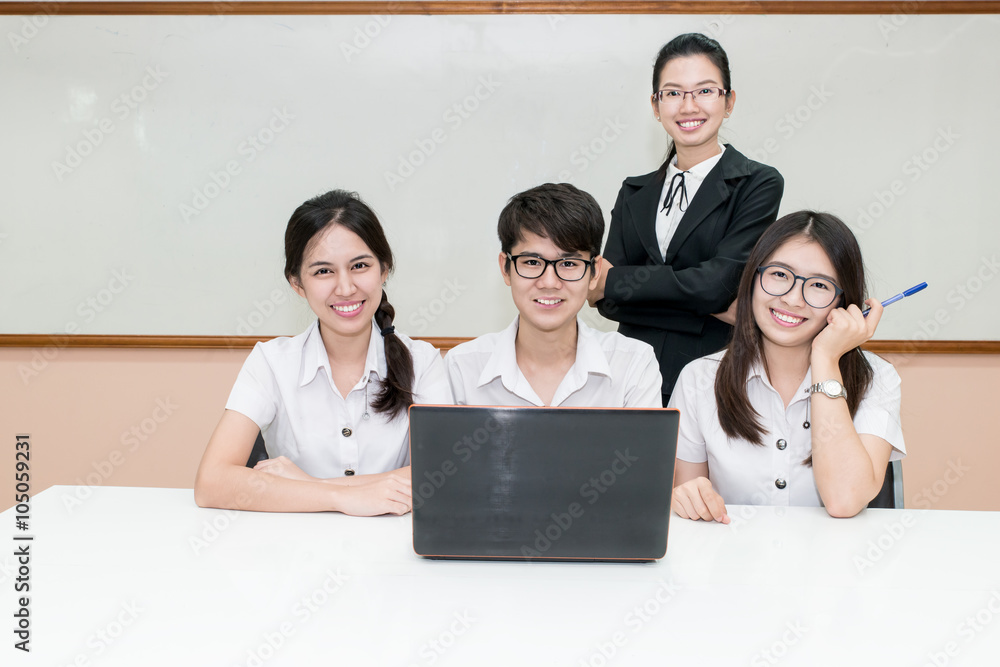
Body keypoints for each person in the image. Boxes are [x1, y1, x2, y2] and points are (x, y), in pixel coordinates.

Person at [194, 189, 451, 516]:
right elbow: (212, 482)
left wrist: (305, 485)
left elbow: (444, 476)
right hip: (294, 551)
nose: (345, 288)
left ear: (384, 269)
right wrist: (342, 497)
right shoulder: (271, 362)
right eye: (323, 271)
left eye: (359, 265)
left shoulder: (423, 362)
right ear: (297, 284)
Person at [669, 211, 906, 522]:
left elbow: (844, 501)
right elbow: (692, 508)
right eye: (780, 275)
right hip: (733, 563)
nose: (794, 299)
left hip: (838, 565)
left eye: (820, 285)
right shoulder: (699, 379)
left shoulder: (877, 378)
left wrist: (825, 359)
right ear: (753, 278)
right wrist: (686, 498)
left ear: (843, 303)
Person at [589, 32, 784, 405]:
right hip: (629, 377)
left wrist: (618, 282)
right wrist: (706, 304)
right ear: (655, 104)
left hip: (712, 376)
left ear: (729, 102)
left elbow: (717, 284)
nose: (688, 105)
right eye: (674, 92)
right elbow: (611, 304)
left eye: (705, 91)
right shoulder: (635, 192)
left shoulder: (757, 183)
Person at [445, 183, 662, 408]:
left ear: (595, 272)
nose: (549, 282)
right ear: (505, 268)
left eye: (568, 263)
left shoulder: (632, 365)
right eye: (531, 262)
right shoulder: (462, 367)